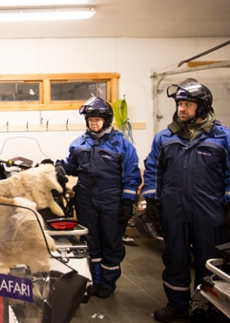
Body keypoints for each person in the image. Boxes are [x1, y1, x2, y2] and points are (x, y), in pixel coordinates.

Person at [143, 78, 230, 322]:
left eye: (187, 104)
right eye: (180, 104)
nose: (181, 108)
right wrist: (152, 200)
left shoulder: (223, 138)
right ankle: (177, 305)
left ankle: (208, 307)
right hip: (174, 210)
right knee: (175, 258)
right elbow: (153, 170)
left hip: (210, 212)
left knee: (209, 262)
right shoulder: (164, 138)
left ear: (202, 107)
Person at [57, 96, 142, 299]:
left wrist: (128, 202)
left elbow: (131, 175)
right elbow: (72, 167)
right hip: (86, 195)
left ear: (107, 120)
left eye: (97, 119)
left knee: (110, 241)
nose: (93, 123)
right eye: (90, 119)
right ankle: (92, 280)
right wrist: (59, 166)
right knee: (89, 239)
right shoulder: (78, 144)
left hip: (111, 197)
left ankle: (107, 282)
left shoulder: (122, 145)